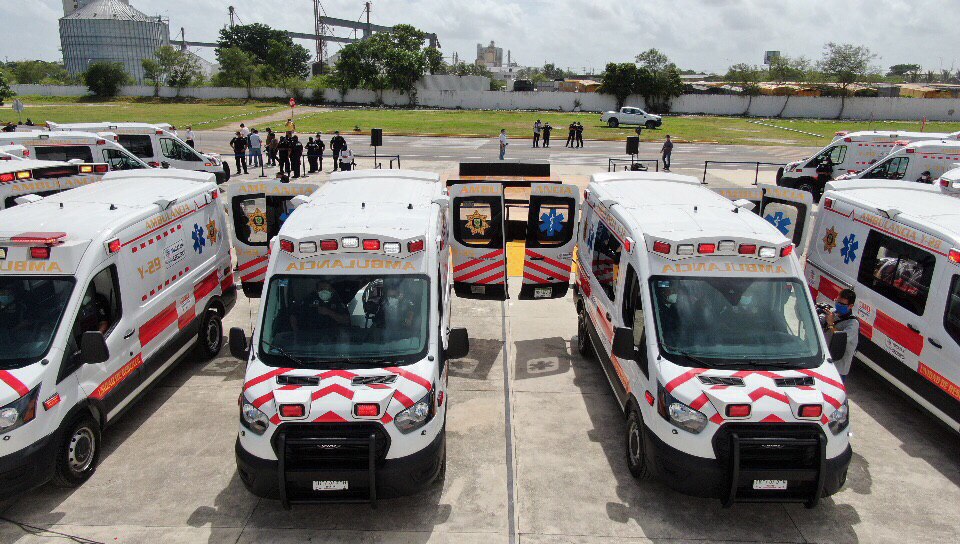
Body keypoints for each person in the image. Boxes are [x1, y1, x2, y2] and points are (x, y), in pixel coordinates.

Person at [825, 289, 860, 382]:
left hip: (839, 368)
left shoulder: (853, 324)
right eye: (837, 301)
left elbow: (841, 339)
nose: (838, 305)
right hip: (826, 362)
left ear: (850, 306)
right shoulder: (833, 313)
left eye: (842, 304)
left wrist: (831, 324)